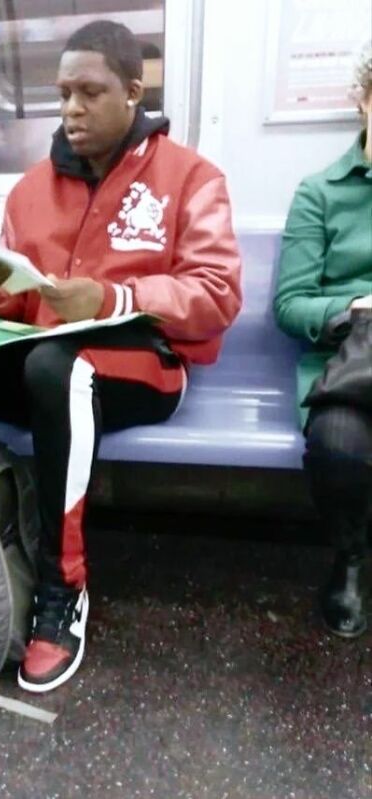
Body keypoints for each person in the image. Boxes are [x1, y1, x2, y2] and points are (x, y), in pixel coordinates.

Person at [0, 21, 242, 693]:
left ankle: (62, 584)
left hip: (144, 364)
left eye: (90, 93)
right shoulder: (30, 189)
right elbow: (24, 300)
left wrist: (112, 298)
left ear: (132, 91)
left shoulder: (191, 179)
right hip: (45, 361)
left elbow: (217, 295)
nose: (72, 109)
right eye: (63, 94)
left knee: (58, 367)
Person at [274, 43, 372, 639]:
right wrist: (354, 308)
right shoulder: (321, 193)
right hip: (349, 366)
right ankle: (351, 556)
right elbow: (290, 305)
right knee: (337, 444)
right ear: (365, 101)